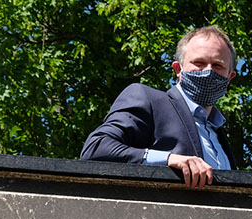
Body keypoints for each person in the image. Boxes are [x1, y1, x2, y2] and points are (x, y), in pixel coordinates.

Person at [80, 25, 237, 189]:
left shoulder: (217, 133)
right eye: (199, 62)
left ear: (230, 77)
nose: (208, 71)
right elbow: (96, 148)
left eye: (218, 65)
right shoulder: (149, 100)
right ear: (178, 69)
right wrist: (170, 159)